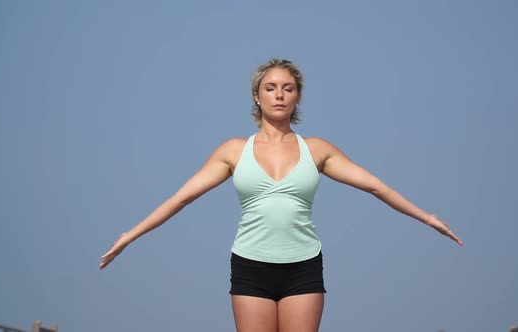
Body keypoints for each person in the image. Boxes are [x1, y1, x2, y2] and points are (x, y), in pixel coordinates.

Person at [99, 58, 463, 332]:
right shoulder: (233, 150)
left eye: (288, 88)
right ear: (256, 96)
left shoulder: (317, 149)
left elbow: (375, 185)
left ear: (298, 96)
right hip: (250, 265)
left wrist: (428, 218)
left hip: (303, 266)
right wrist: (130, 235)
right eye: (271, 87)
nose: (279, 94)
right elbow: (180, 198)